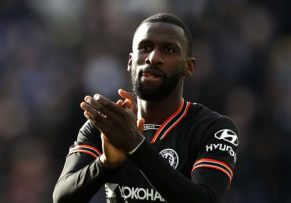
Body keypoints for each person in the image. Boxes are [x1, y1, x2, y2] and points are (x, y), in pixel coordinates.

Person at [53, 13, 239, 203]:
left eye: (169, 50)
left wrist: (135, 145)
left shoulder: (214, 129)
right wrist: (106, 164)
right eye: (145, 48)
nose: (153, 57)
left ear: (189, 67)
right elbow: (62, 197)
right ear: (130, 62)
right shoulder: (107, 125)